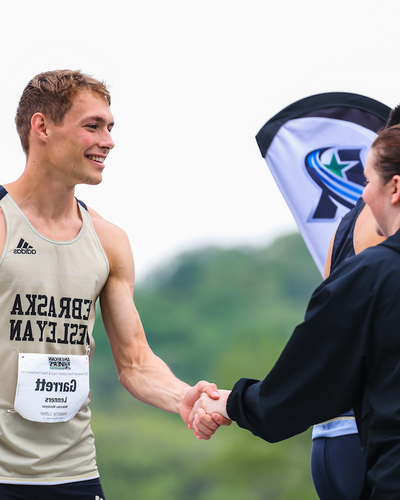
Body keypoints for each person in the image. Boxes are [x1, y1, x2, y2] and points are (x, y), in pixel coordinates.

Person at [0, 70, 228, 500]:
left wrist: (186, 397)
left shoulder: (108, 239)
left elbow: (135, 363)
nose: (108, 140)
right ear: (42, 127)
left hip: (75, 474)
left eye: (110, 127)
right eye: (92, 126)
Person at [191, 125, 400, 499]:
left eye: (368, 181)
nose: (363, 195)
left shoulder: (372, 274)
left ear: (395, 188)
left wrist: (232, 403)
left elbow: (310, 381)